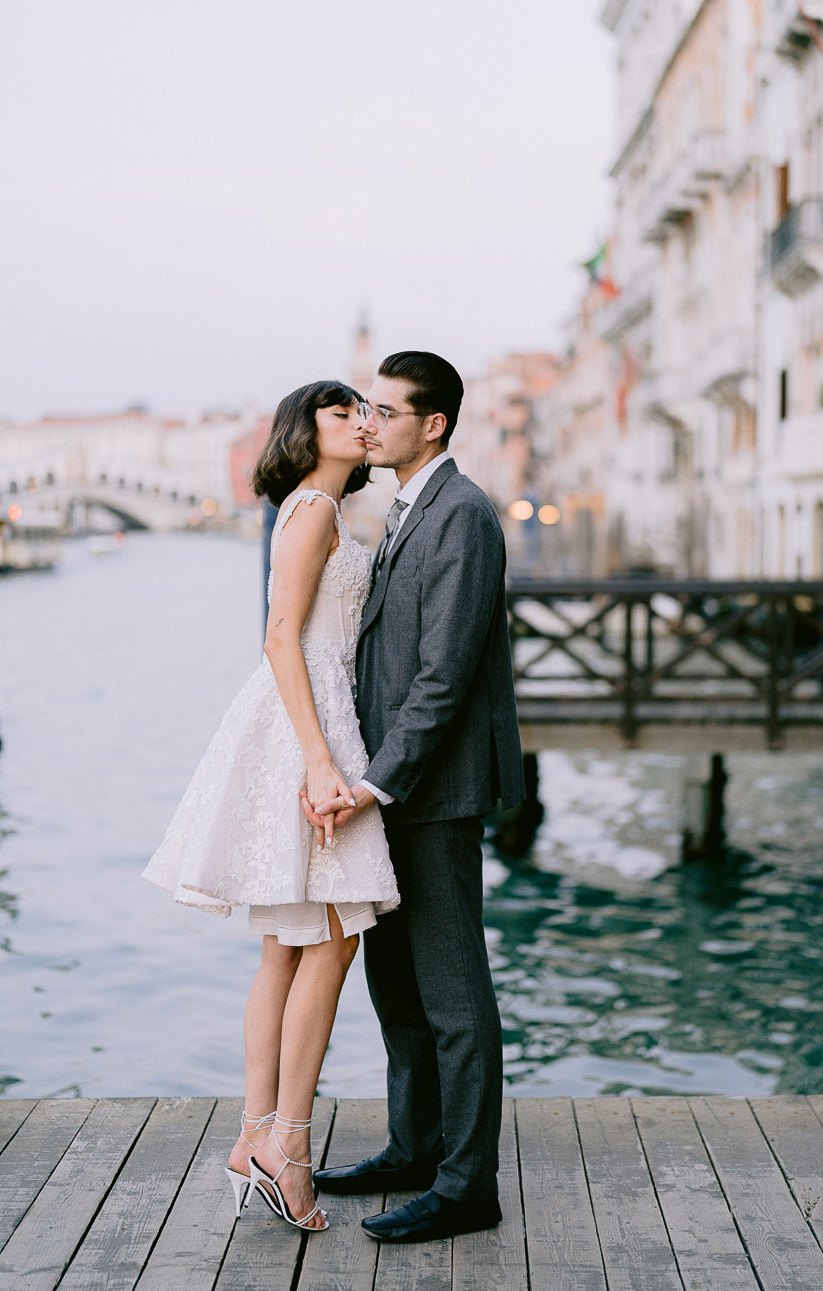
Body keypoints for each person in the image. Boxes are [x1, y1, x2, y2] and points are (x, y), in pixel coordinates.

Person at [143, 380, 399, 1234]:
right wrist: (321, 760)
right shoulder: (316, 510)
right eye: (343, 413)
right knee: (330, 939)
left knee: (288, 947)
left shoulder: (314, 505)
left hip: (310, 715)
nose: (362, 422)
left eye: (367, 411)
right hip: (309, 723)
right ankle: (287, 1144)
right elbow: (281, 635)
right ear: (305, 429)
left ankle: (259, 1135)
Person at [306, 350, 525, 1245]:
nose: (371, 423)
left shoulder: (463, 515)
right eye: (367, 408)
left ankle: (468, 1185)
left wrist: (374, 781)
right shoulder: (401, 508)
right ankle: (414, 1147)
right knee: (396, 983)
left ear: (432, 424)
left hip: (430, 790)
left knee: (453, 993)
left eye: (387, 412)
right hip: (391, 786)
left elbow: (443, 674)